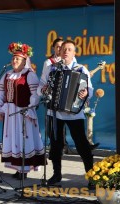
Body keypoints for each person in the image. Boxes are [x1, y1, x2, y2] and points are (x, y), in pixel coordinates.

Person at [37, 39, 94, 188]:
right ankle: (57, 175)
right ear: (59, 52)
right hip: (54, 113)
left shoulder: (81, 69)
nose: (66, 51)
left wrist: (86, 93)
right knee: (55, 145)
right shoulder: (52, 68)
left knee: (82, 145)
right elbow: (41, 85)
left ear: (74, 53)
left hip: (74, 113)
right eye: (64, 49)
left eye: (69, 49)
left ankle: (92, 177)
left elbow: (90, 89)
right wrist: (43, 90)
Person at [0, 42, 46, 180]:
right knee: (13, 139)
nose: (14, 61)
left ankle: (25, 168)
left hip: (24, 112)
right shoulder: (7, 75)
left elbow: (35, 94)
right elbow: (1, 93)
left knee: (24, 138)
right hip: (10, 113)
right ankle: (18, 168)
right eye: (13, 58)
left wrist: (29, 108)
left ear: (25, 61)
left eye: (18, 59)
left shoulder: (29, 75)